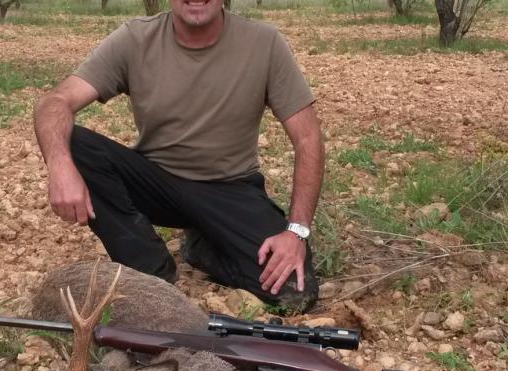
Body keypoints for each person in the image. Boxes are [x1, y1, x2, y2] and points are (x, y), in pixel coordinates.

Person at [33, 0, 325, 312]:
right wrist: (60, 165)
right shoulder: (134, 39)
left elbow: (308, 138)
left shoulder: (264, 43)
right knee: (73, 144)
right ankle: (149, 269)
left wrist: (296, 231)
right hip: (157, 184)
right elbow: (55, 102)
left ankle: (203, 246)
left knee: (294, 292)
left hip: (230, 190)